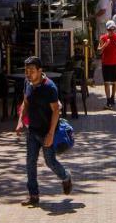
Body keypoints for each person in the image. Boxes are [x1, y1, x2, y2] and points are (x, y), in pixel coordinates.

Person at [15, 55, 73, 206]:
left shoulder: (49, 87)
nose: (28, 74)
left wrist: (51, 134)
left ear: (40, 71)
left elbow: (56, 111)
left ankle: (66, 177)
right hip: (32, 131)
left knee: (50, 162)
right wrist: (20, 121)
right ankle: (33, 195)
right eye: (26, 70)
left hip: (47, 131)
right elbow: (25, 103)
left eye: (31, 71)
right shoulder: (27, 83)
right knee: (30, 162)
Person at [98, 20, 116, 108]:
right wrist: (105, 45)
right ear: (107, 29)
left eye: (113, 29)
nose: (112, 31)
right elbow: (99, 51)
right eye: (110, 30)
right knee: (106, 82)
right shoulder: (102, 38)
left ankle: (112, 97)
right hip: (106, 63)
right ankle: (108, 99)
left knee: (114, 82)